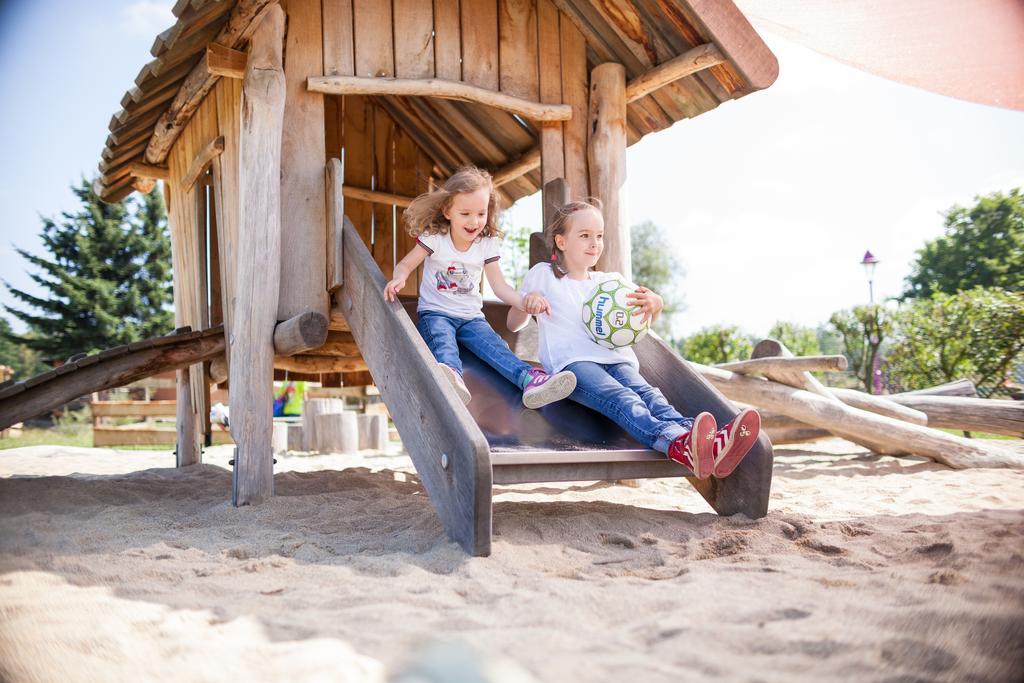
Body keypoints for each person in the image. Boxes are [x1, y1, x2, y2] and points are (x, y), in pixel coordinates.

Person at [507, 200, 761, 479]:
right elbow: (513, 324)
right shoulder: (543, 275)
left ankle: (703, 443)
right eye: (584, 235)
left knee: (653, 396)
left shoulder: (611, 283)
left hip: (617, 359)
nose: (595, 243)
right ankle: (676, 442)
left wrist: (656, 303)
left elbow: (641, 321)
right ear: (561, 241)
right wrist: (525, 303)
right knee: (623, 398)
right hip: (574, 365)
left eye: (600, 236)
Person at [384, 166, 576, 409]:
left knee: (495, 348)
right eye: (465, 213)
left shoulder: (486, 244)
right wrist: (399, 278)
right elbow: (406, 264)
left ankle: (529, 379)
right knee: (442, 343)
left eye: (481, 213)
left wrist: (524, 301)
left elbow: (500, 286)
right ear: (447, 211)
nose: (474, 221)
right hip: (436, 313)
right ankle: (452, 378)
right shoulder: (435, 238)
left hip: (472, 318)